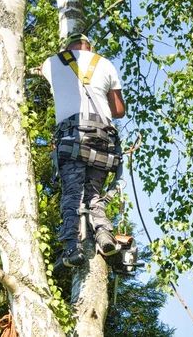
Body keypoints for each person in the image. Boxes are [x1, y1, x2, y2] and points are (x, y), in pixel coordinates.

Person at [41, 33, 126, 267]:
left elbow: (45, 74)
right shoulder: (105, 63)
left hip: (72, 137)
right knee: (93, 193)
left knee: (72, 194)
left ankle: (72, 246)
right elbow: (118, 110)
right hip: (102, 138)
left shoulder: (51, 63)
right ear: (90, 47)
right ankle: (104, 234)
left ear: (67, 47)